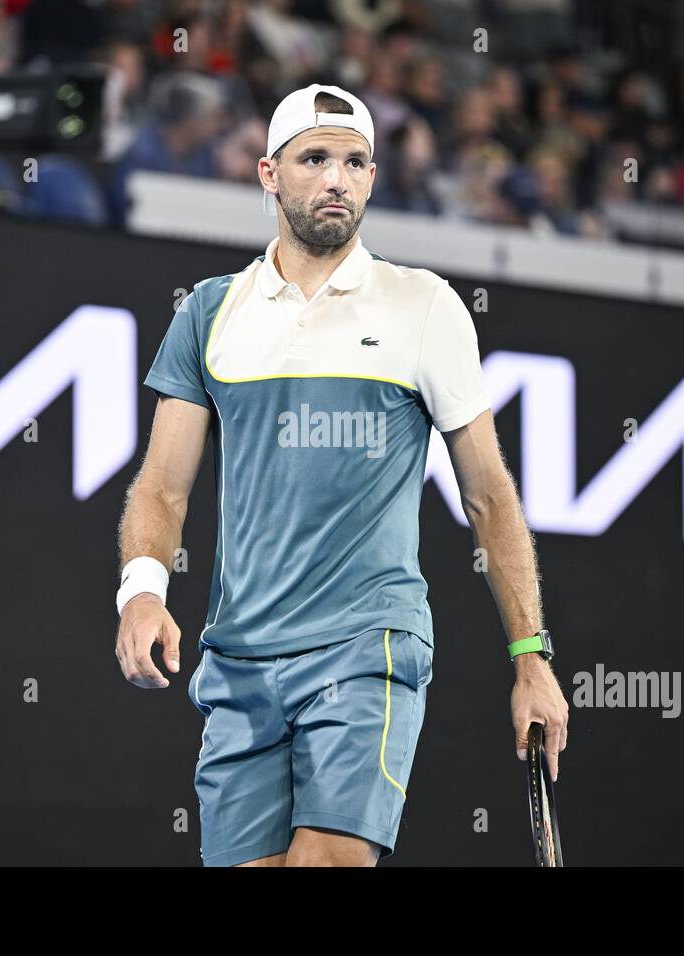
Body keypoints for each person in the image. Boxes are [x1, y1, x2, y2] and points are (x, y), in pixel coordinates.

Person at [115, 83, 569, 867]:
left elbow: (488, 494)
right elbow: (162, 485)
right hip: (241, 661)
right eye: (315, 159)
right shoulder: (210, 315)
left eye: (356, 162)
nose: (338, 178)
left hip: (368, 648)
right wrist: (143, 592)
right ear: (268, 173)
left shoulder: (424, 306)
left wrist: (531, 658)